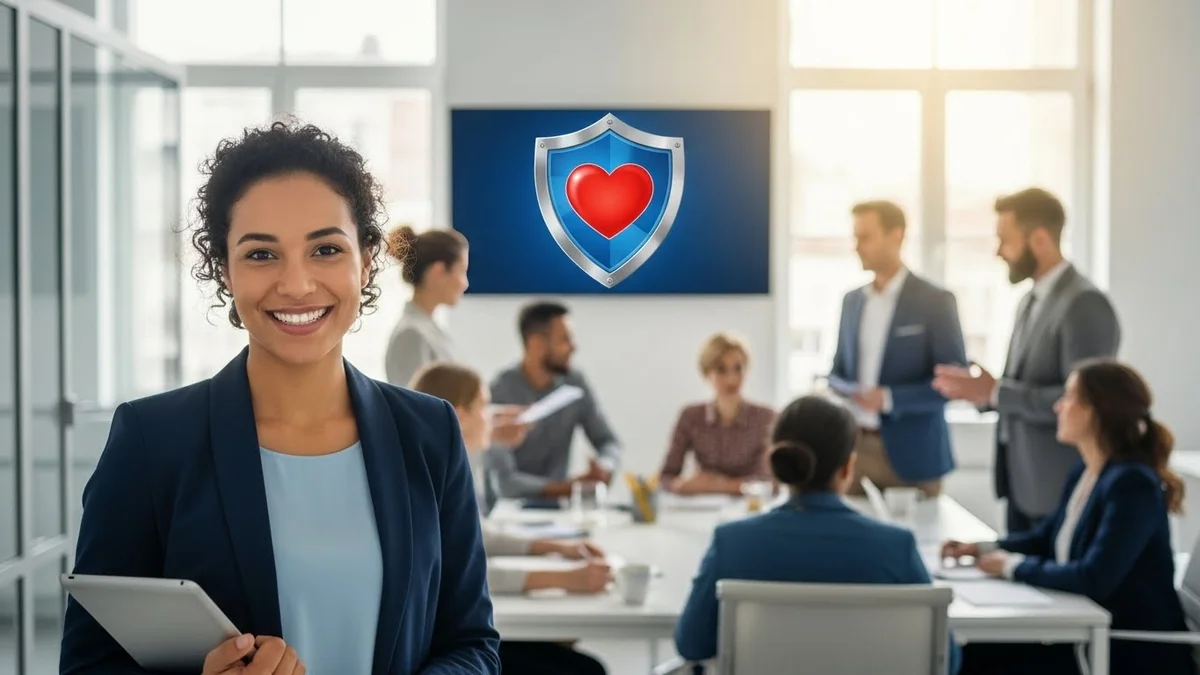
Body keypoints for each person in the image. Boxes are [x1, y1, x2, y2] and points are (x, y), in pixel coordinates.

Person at [59, 121, 499, 675]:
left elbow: (471, 643)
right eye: (262, 255)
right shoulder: (152, 441)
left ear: (366, 261)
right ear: (225, 270)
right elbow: (88, 663)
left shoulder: (428, 430)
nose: (296, 285)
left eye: (326, 249)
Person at [674, 395, 961, 674]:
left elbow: (691, 644)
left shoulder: (732, 543)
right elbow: (944, 659)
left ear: (774, 461)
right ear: (849, 467)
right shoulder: (896, 547)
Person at [943, 359, 1193, 675]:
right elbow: (1046, 539)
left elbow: (1094, 578)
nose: (1058, 407)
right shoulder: (1086, 471)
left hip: (1125, 648)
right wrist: (983, 548)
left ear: (1097, 411)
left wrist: (1010, 567)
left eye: (1070, 397)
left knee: (973, 659)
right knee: (962, 651)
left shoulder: (1133, 485)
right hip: (1088, 635)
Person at [933, 188, 1120, 534]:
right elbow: (1022, 387)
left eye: (1005, 240)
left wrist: (996, 393)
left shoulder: (1084, 304)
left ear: (1039, 239)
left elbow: (1086, 403)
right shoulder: (1029, 302)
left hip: (1057, 485)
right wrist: (981, 393)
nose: (999, 251)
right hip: (1021, 484)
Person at [410, 362, 610, 675]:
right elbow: (468, 575)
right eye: (485, 406)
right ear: (459, 416)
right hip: (447, 644)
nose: (491, 418)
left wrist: (558, 547)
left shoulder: (447, 466)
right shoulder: (428, 481)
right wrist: (568, 578)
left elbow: (481, 538)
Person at [829, 201, 967, 497]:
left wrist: (889, 399)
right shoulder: (852, 302)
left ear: (896, 236)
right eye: (855, 238)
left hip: (914, 457)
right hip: (857, 453)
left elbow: (954, 383)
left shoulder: (935, 301)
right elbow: (835, 372)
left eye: (865, 237)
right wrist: (848, 389)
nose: (856, 247)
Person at [483, 301, 621, 510]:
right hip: (508, 515)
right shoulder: (499, 392)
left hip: (560, 513)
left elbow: (608, 441)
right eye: (565, 339)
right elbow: (505, 484)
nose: (574, 347)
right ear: (537, 344)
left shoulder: (575, 382)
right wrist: (570, 487)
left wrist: (604, 466)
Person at [659, 332, 776, 495]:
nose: (731, 378)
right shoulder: (691, 416)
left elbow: (771, 482)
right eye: (721, 369)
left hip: (750, 509)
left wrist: (720, 485)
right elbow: (665, 477)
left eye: (738, 368)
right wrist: (681, 485)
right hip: (700, 511)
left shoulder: (766, 418)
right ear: (707, 373)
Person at [383, 225, 469, 387]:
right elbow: (414, 405)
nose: (465, 284)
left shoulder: (427, 328)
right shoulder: (411, 334)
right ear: (438, 271)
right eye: (462, 271)